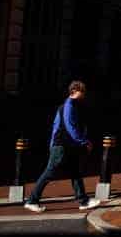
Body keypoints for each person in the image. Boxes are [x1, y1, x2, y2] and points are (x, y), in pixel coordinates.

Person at [24, 80, 100, 213]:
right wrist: (83, 141)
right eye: (81, 91)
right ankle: (32, 200)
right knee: (50, 172)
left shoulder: (71, 105)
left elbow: (57, 126)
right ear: (74, 91)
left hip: (65, 145)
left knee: (75, 172)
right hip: (61, 145)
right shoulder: (69, 106)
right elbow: (70, 127)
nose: (83, 94)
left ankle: (84, 201)